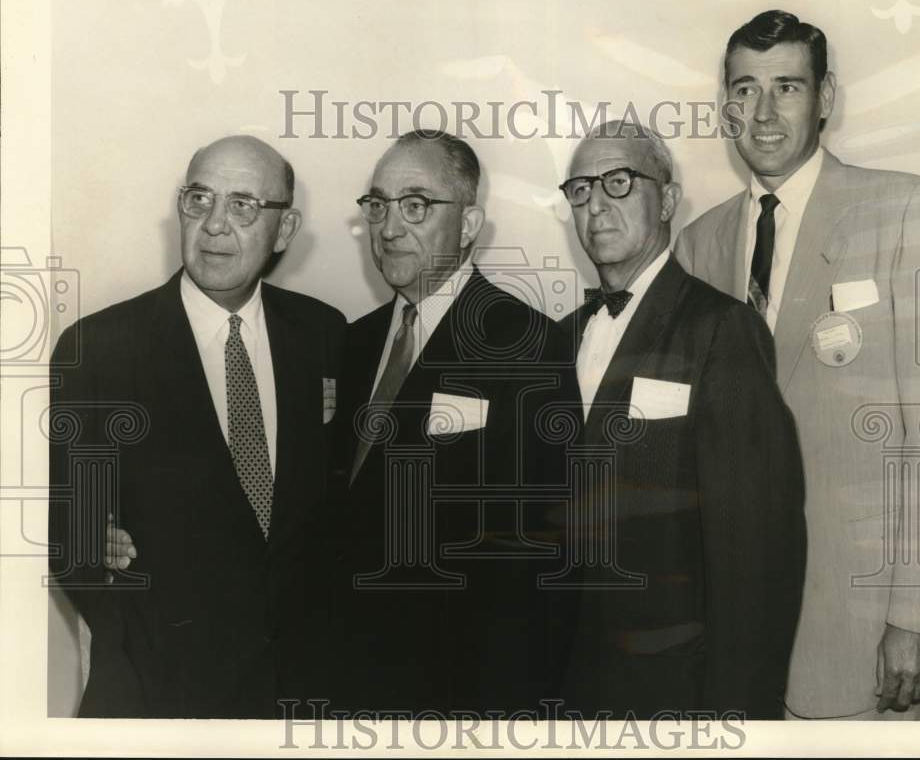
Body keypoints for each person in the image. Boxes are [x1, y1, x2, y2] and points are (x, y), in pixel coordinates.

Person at [674, 9, 920, 720]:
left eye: (788, 87)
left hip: (865, 635)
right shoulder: (697, 245)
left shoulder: (905, 210)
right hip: (730, 643)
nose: (765, 111)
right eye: (745, 89)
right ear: (726, 105)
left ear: (826, 98)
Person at [48, 135, 347, 718]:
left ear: (284, 231)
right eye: (199, 199)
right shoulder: (99, 348)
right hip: (156, 695)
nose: (214, 225)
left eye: (242, 205)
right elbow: (67, 533)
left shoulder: (323, 334)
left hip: (297, 698)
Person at [558, 120, 806, 719]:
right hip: (572, 684)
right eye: (581, 189)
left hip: (679, 688)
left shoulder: (720, 328)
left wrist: (735, 714)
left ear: (667, 199)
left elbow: (758, 547)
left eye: (619, 182)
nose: (596, 205)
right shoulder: (562, 337)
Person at [332, 129, 582, 715]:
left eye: (415, 205)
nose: (390, 228)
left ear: (469, 225)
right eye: (378, 206)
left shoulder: (527, 345)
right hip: (345, 685)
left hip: (459, 697)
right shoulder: (351, 343)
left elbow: (541, 559)